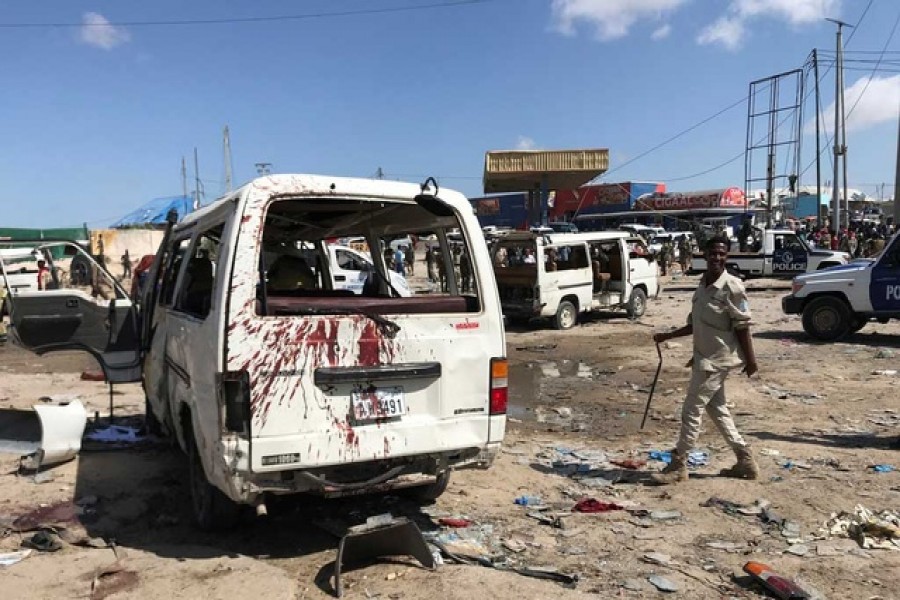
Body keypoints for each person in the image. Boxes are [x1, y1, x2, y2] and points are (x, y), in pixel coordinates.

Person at [652, 235, 760, 484]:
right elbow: (696, 324)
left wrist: (751, 361)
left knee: (691, 409)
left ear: (727, 257)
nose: (717, 258)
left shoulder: (732, 286)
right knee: (717, 409)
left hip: (717, 361)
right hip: (704, 358)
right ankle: (745, 460)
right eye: (713, 254)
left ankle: (679, 464)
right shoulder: (702, 285)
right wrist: (667, 336)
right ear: (705, 255)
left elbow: (742, 327)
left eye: (722, 254)